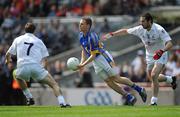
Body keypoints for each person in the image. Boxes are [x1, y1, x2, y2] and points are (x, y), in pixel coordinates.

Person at [103, 12, 177, 105]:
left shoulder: (159, 29)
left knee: (154, 75)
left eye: (143, 21)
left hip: (161, 54)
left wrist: (162, 51)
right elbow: (126, 31)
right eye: (140, 21)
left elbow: (170, 43)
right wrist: (112, 34)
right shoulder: (140, 29)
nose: (141, 23)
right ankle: (170, 79)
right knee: (152, 78)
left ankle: (154, 101)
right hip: (149, 55)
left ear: (149, 21)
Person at [77, 16, 147, 106]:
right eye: (80, 24)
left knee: (116, 78)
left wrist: (83, 65)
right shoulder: (80, 35)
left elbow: (93, 55)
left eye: (82, 24)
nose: (80, 25)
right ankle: (129, 97)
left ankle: (139, 89)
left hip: (102, 57)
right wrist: (81, 62)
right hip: (95, 61)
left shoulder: (92, 37)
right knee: (108, 82)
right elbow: (84, 50)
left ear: (88, 25)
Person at [5, 22, 71, 108]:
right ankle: (62, 103)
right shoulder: (39, 41)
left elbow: (8, 54)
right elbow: (45, 59)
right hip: (36, 67)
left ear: (25, 30)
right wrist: (44, 70)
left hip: (22, 67)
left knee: (17, 75)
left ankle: (29, 97)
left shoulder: (18, 39)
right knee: (54, 84)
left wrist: (8, 60)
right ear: (34, 31)